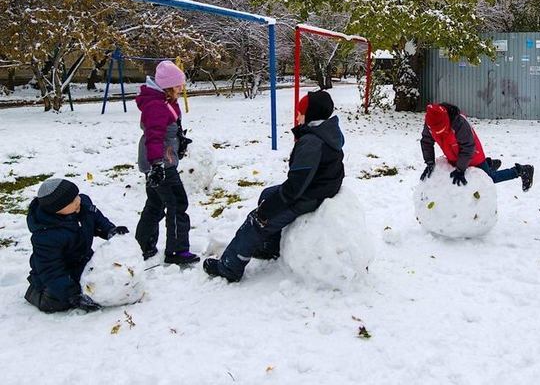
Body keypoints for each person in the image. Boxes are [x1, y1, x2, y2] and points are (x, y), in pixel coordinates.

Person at [203, 90, 344, 282]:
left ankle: (230, 267)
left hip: (307, 196)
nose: (297, 116)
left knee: (256, 220)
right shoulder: (326, 132)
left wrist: (268, 210)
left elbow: (295, 187)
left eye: (300, 112)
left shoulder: (312, 142)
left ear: (310, 115)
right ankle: (270, 246)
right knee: (266, 193)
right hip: (317, 188)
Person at [25, 178, 129, 313]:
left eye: (77, 196)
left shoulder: (83, 206)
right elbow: (51, 270)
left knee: (104, 283)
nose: (78, 200)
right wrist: (72, 295)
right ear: (57, 209)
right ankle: (36, 293)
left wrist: (110, 230)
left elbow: (97, 220)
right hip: (57, 271)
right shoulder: (46, 236)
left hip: (83, 260)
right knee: (58, 302)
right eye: (72, 201)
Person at [134, 60, 198, 265]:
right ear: (167, 86)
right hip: (161, 164)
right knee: (178, 203)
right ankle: (177, 251)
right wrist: (157, 165)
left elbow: (168, 130)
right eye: (178, 85)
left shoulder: (165, 102)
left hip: (163, 160)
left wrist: (179, 141)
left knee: (155, 203)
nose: (182, 88)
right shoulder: (157, 106)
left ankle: (142, 247)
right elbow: (154, 137)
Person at [420, 102, 534, 191]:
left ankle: (521, 170)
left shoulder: (459, 123)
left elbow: (468, 147)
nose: (439, 134)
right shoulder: (431, 122)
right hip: (453, 155)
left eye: (442, 130)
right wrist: (429, 162)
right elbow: (426, 142)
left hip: (472, 153)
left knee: (489, 178)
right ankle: (488, 164)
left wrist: (460, 169)